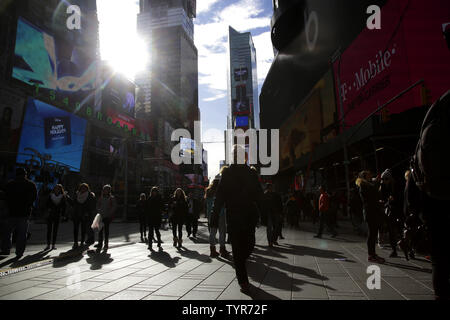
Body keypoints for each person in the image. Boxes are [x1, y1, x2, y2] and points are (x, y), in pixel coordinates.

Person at [211, 145, 267, 294]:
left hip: (249, 216)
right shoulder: (227, 173)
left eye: (240, 153)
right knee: (237, 249)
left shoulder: (251, 173)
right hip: (234, 216)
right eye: (235, 153)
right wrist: (214, 216)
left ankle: (240, 261)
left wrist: (264, 214)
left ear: (244, 156)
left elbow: (259, 195)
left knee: (249, 245)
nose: (237, 156)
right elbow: (219, 197)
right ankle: (243, 281)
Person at [0, 168, 37, 258]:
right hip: (24, 213)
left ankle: (6, 249)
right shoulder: (31, 185)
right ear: (25, 174)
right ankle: (19, 252)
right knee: (22, 234)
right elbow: (33, 198)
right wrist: (29, 206)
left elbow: (5, 197)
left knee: (7, 232)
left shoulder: (10, 184)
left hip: (11, 212)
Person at [356, 171, 385, 263]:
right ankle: (371, 255)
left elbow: (374, 195)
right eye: (368, 175)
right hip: (370, 212)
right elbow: (371, 196)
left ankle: (373, 254)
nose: (370, 176)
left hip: (373, 212)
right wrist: (376, 183)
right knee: (372, 234)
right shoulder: (364, 185)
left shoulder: (368, 185)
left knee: (373, 233)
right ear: (364, 177)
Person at [379, 169, 402, 258]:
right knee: (391, 231)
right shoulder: (383, 186)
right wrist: (386, 201)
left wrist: (393, 199)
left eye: (386, 179)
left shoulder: (396, 185)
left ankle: (408, 248)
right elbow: (382, 196)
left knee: (401, 230)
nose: (384, 181)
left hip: (397, 210)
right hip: (389, 211)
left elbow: (400, 197)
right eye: (383, 179)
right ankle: (394, 250)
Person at [205, 178, 229, 258]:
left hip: (211, 215)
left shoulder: (208, 192)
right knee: (222, 232)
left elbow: (207, 205)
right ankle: (222, 249)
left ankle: (212, 250)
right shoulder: (220, 193)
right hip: (220, 214)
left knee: (212, 232)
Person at [67, 183, 96, 249]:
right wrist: (68, 198)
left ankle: (82, 241)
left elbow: (92, 205)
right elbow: (73, 204)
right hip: (76, 213)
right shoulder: (77, 194)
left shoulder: (90, 195)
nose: (83, 189)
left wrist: (88, 212)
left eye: (84, 188)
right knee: (75, 229)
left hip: (85, 214)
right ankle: (75, 242)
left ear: (87, 189)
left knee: (83, 229)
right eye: (82, 188)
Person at [44, 184, 66, 250]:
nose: (57, 190)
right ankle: (48, 245)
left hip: (57, 214)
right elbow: (46, 204)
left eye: (58, 189)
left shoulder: (62, 196)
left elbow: (64, 206)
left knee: (55, 231)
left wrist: (63, 215)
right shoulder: (50, 195)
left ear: (60, 190)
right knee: (49, 230)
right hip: (50, 214)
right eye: (56, 188)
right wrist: (49, 208)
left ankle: (53, 245)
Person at [96, 185, 117, 252]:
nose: (105, 191)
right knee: (100, 230)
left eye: (107, 190)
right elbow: (97, 205)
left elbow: (114, 207)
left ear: (109, 191)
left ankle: (106, 243)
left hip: (107, 216)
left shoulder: (111, 198)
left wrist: (109, 213)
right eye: (104, 189)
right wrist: (98, 210)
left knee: (106, 231)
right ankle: (100, 243)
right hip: (100, 216)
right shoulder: (100, 198)